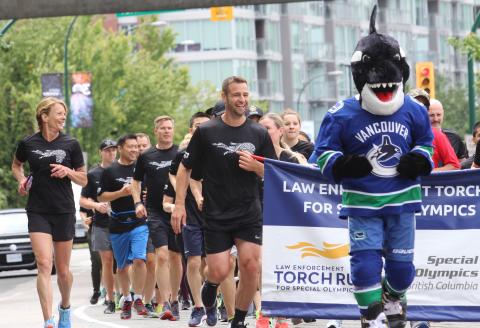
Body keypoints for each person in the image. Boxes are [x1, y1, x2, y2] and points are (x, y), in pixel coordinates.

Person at [312, 8, 433, 328]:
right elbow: (323, 154)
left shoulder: (414, 110)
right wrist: (344, 165)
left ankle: (393, 296)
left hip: (402, 202)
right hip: (363, 203)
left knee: (402, 270)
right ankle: (372, 315)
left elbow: (427, 143)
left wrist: (420, 158)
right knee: (364, 268)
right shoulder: (341, 114)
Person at [172, 75, 276, 328]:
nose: (242, 100)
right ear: (224, 97)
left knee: (252, 266)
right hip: (216, 213)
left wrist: (257, 168)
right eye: (236, 95)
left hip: (249, 211)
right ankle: (211, 284)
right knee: (219, 270)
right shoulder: (206, 131)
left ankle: (238, 319)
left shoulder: (259, 133)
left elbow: (274, 170)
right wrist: (178, 205)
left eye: (245, 94)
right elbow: (185, 169)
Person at [11, 97, 87, 328]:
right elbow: (16, 165)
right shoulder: (28, 143)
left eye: (64, 114)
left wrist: (67, 171)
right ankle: (48, 320)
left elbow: (84, 179)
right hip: (38, 210)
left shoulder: (71, 144)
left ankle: (65, 306)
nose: (63, 117)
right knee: (44, 264)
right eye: (59, 113)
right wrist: (22, 179)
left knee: (63, 270)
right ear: (45, 117)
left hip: (63, 210)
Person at [131, 116, 182, 320]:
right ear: (156, 131)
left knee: (176, 257)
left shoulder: (181, 153)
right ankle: (167, 301)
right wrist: (137, 203)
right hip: (155, 212)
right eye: (162, 128)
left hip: (177, 210)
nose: (167, 131)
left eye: (170, 128)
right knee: (162, 255)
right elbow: (135, 182)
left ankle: (176, 299)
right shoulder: (146, 156)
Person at [98, 134, 149, 320]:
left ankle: (137, 297)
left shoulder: (142, 167)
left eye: (136, 147)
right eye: (130, 147)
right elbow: (101, 197)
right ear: (121, 148)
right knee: (121, 267)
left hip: (139, 222)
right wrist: (121, 193)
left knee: (139, 259)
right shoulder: (110, 171)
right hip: (118, 223)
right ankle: (126, 298)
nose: (135, 150)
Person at [169, 112, 211, 326]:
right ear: (191, 130)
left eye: (206, 125)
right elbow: (175, 175)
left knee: (212, 265)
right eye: (197, 126)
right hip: (191, 216)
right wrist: (179, 202)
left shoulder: (218, 152)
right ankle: (198, 306)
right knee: (193, 262)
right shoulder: (183, 156)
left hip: (217, 215)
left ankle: (212, 300)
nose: (202, 129)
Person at [79, 139, 118, 314]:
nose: (111, 153)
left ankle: (127, 295)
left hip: (124, 223)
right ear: (100, 152)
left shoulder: (123, 169)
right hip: (102, 224)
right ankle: (110, 298)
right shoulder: (93, 174)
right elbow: (82, 200)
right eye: (107, 150)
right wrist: (96, 206)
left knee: (124, 263)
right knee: (106, 262)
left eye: (113, 150)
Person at [408, 91, 460, 172]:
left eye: (424, 106)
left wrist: (428, 173)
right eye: (415, 105)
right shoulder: (395, 130)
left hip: (427, 184)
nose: (419, 109)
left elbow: (454, 165)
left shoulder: (436, 134)